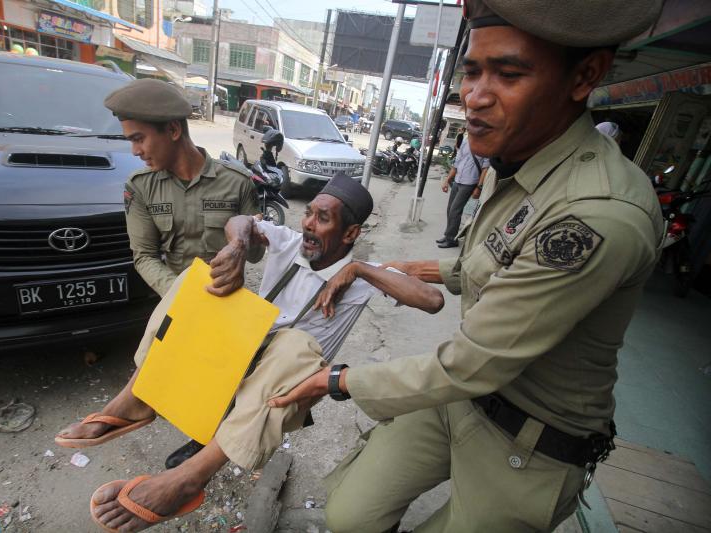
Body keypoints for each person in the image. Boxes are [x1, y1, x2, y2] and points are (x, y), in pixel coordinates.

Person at [268, 1, 665, 531]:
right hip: (461, 403)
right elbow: (484, 263)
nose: (474, 97)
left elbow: (470, 363)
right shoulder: (519, 159)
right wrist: (386, 266)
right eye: (472, 71)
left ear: (585, 75)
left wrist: (333, 380)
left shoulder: (597, 214)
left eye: (509, 73)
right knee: (350, 515)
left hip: (531, 439)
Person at [59, 173, 444, 532]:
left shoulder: (364, 277)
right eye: (308, 213)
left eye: (322, 218)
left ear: (351, 233)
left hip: (290, 377)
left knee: (293, 345)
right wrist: (239, 245)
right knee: (196, 281)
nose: (308, 223)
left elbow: (432, 300)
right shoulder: (290, 242)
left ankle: (188, 480)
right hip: (241, 350)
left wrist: (358, 270)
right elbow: (241, 221)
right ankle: (136, 399)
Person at [105, 78, 262, 297]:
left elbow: (256, 255)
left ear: (173, 130)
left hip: (228, 302)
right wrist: (182, 293)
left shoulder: (238, 182)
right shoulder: (140, 187)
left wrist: (246, 236)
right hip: (176, 300)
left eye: (139, 139)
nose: (135, 151)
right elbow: (144, 256)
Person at [437, 136, 490, 248]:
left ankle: (451, 239)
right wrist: (447, 180)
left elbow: (485, 168)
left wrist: (479, 187)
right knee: (450, 209)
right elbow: (457, 162)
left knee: (455, 210)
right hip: (458, 179)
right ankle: (448, 235)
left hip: (470, 182)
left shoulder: (486, 143)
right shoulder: (466, 139)